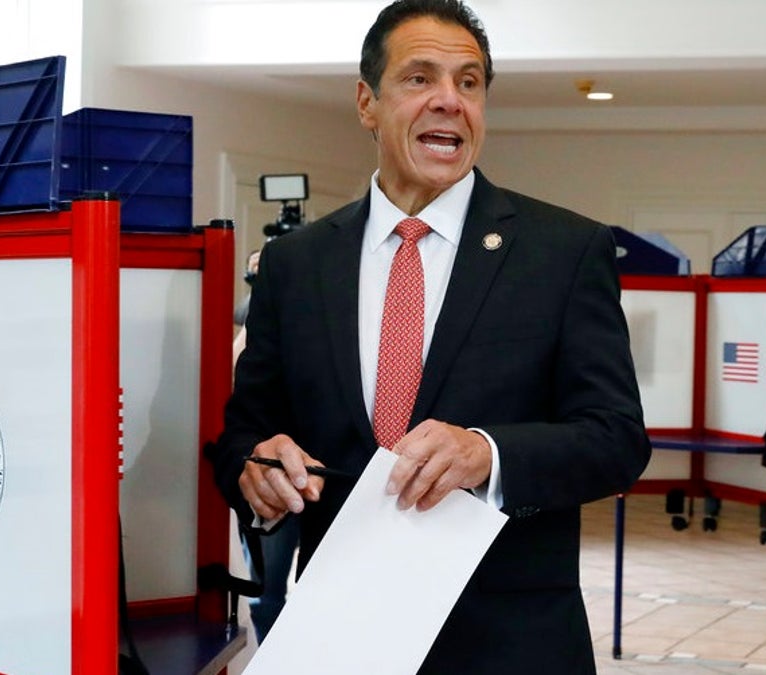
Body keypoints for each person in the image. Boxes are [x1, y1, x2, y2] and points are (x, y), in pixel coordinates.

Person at [206, 1, 651, 672]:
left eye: (468, 83)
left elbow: (618, 440)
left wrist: (485, 452)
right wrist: (257, 469)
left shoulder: (564, 252)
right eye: (420, 78)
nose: (450, 101)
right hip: (342, 633)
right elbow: (244, 435)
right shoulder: (297, 265)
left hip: (508, 642)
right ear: (367, 102)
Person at [231, 246, 300, 642]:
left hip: (306, 469)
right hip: (275, 471)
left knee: (272, 585)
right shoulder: (246, 335)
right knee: (267, 587)